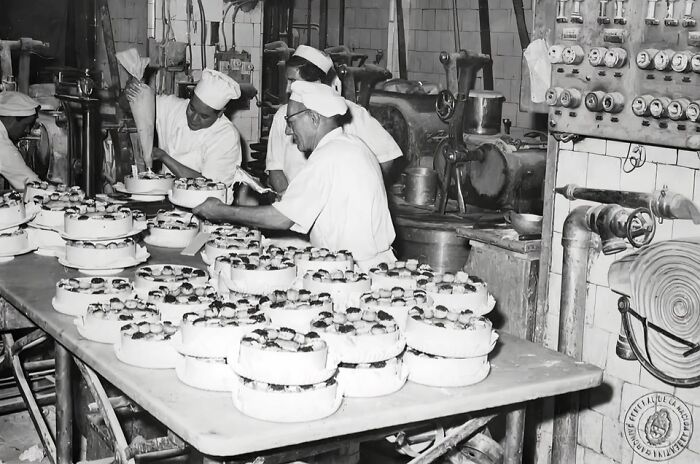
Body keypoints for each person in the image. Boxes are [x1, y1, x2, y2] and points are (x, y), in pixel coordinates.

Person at [194, 81, 396, 270]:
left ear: (314, 118)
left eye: (291, 122)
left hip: (353, 269)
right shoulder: (352, 144)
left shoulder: (329, 155)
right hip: (367, 264)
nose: (289, 132)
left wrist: (222, 211)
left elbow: (282, 219)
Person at [266, 45, 402, 194]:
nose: (287, 89)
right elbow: (275, 168)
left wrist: (366, 191)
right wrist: (288, 202)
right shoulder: (283, 115)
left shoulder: (353, 114)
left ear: (316, 83)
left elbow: (387, 155)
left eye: (293, 81)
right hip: (295, 206)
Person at [127, 68, 243, 184]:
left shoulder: (226, 136)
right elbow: (131, 106)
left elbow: (210, 185)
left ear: (220, 113)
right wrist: (132, 92)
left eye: (204, 116)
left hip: (203, 201)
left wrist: (164, 157)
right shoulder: (174, 107)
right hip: (169, 196)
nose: (194, 118)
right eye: (192, 108)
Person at [0, 91, 41, 190]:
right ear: (11, 119)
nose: (27, 131)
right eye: (27, 125)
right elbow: (30, 183)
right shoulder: (2, 145)